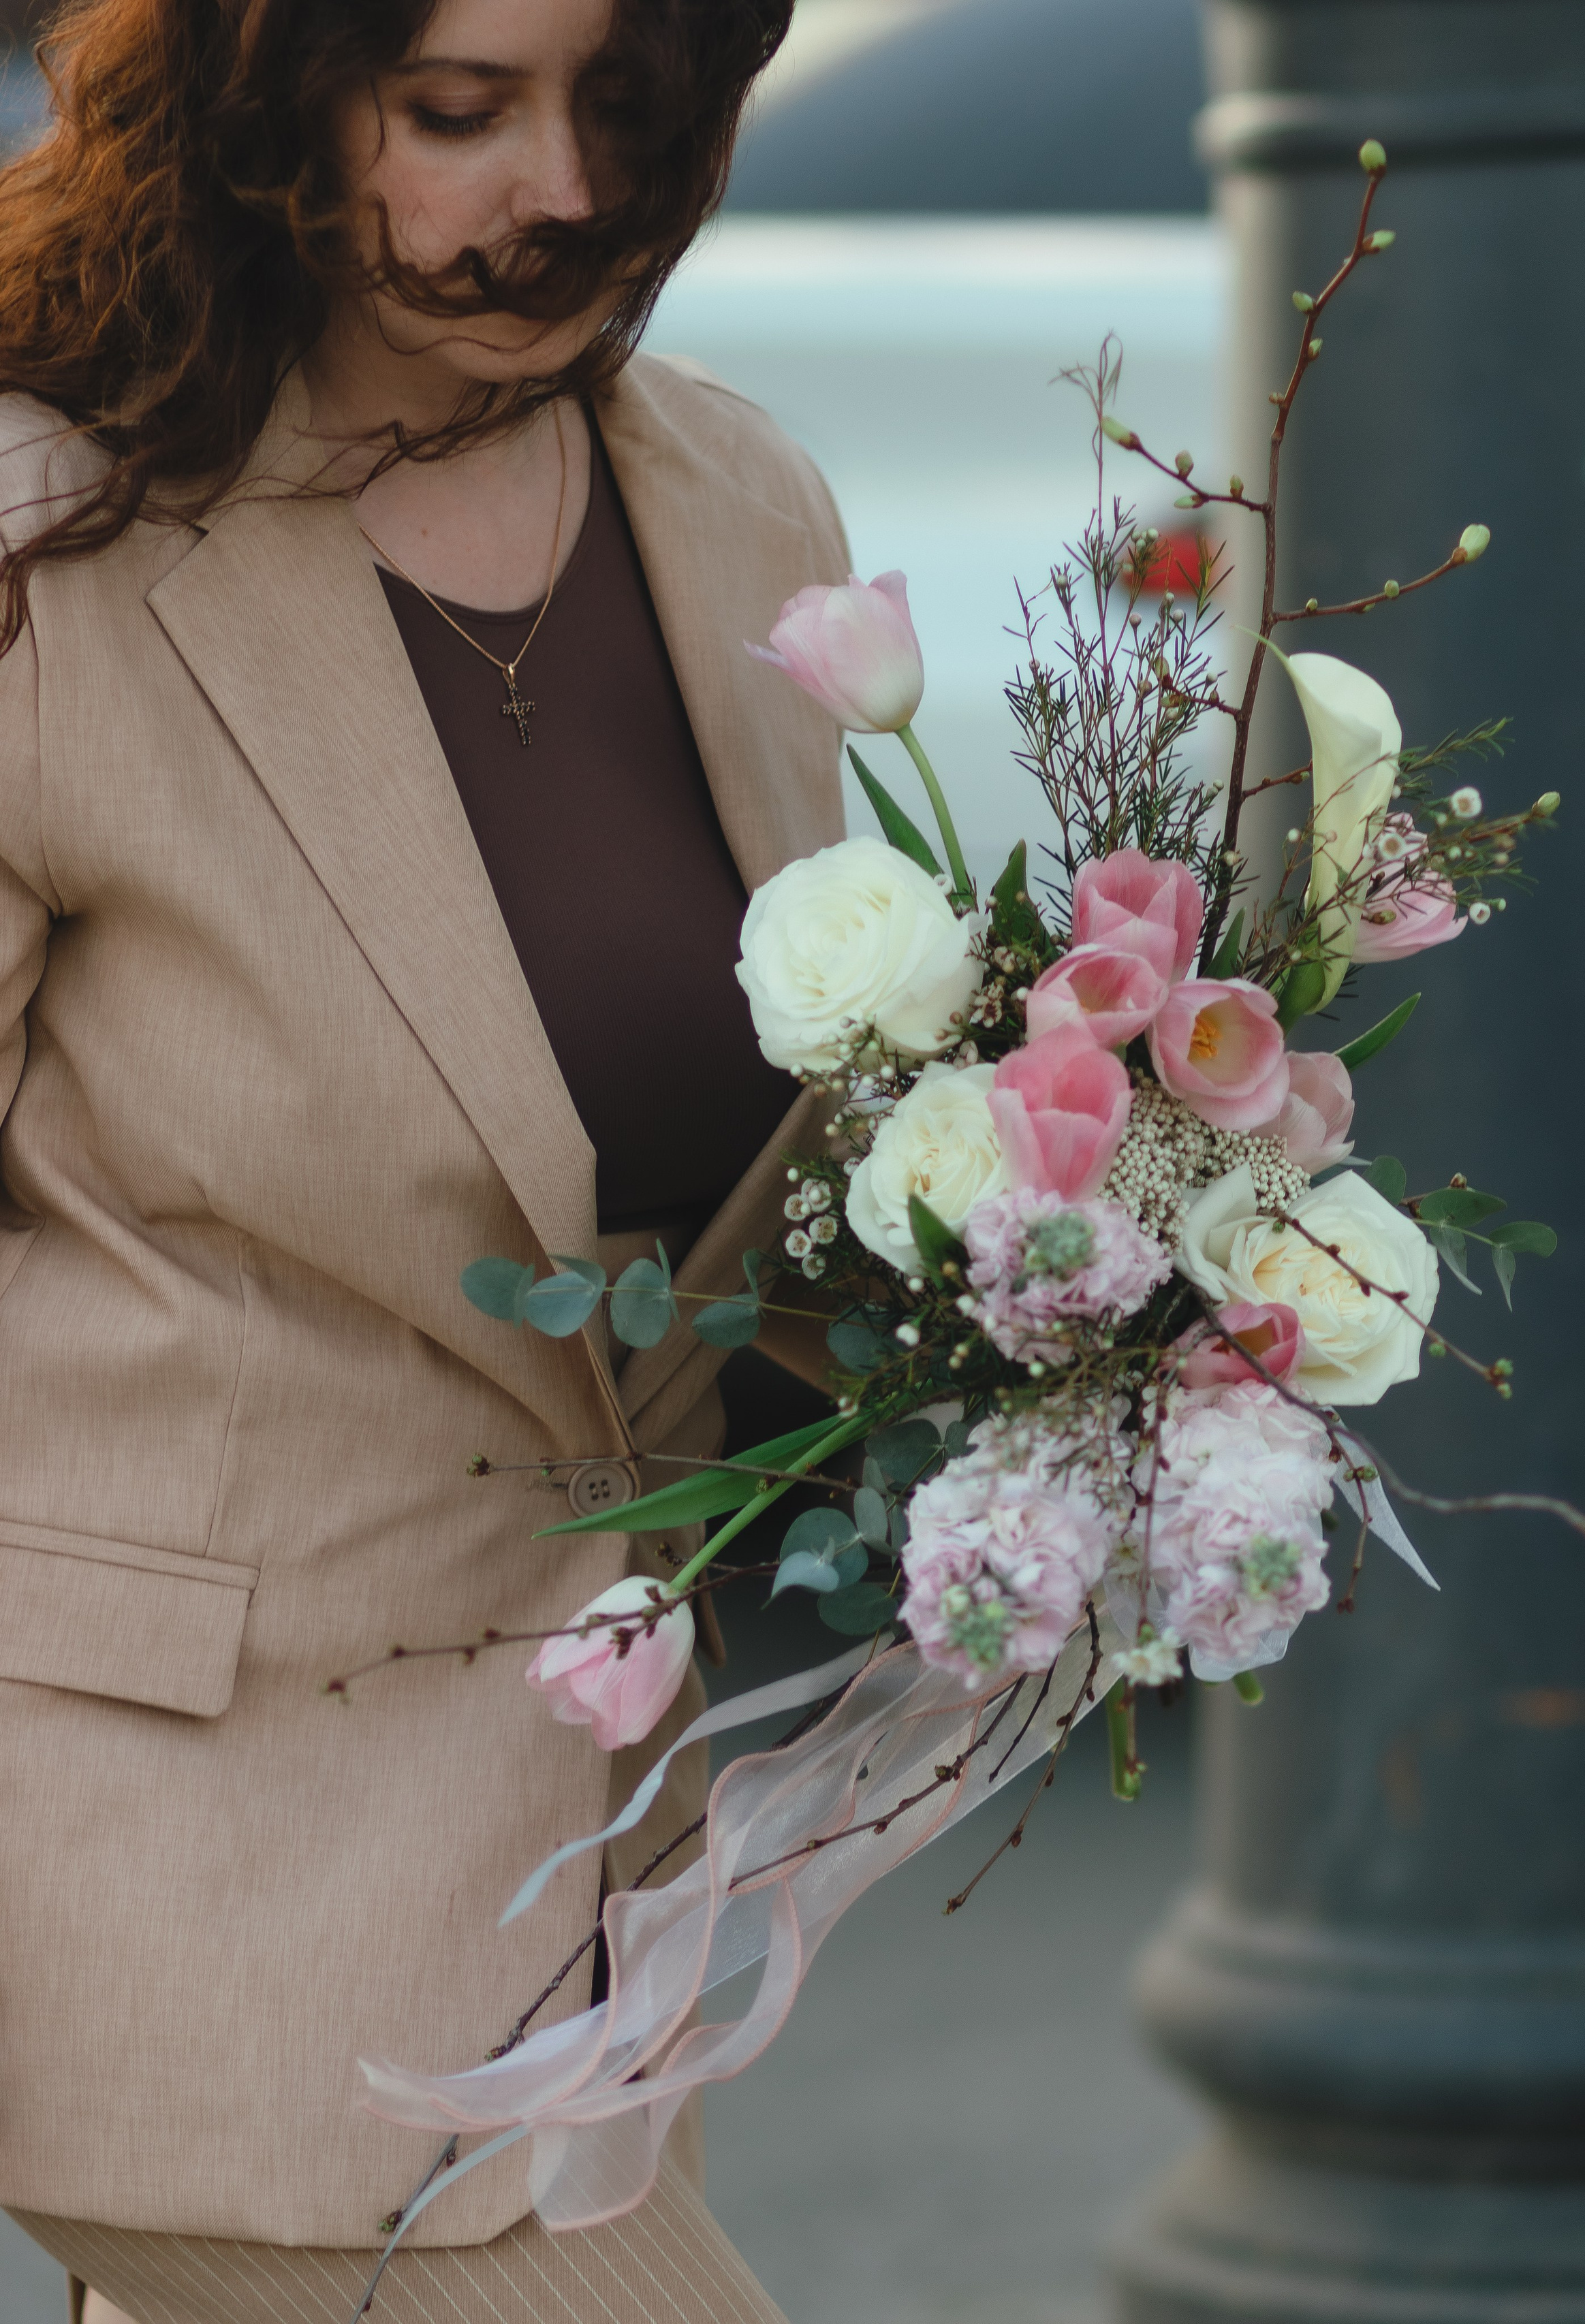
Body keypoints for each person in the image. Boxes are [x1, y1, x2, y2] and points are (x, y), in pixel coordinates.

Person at [0, 1, 847, 2317]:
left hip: (579, 1884)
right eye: (456, 112)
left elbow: (749, 1175)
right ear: (263, 102)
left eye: (629, 108)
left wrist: (1095, 1289)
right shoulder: (41, 550)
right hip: (151, 1881)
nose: (561, 193)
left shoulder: (744, 502)